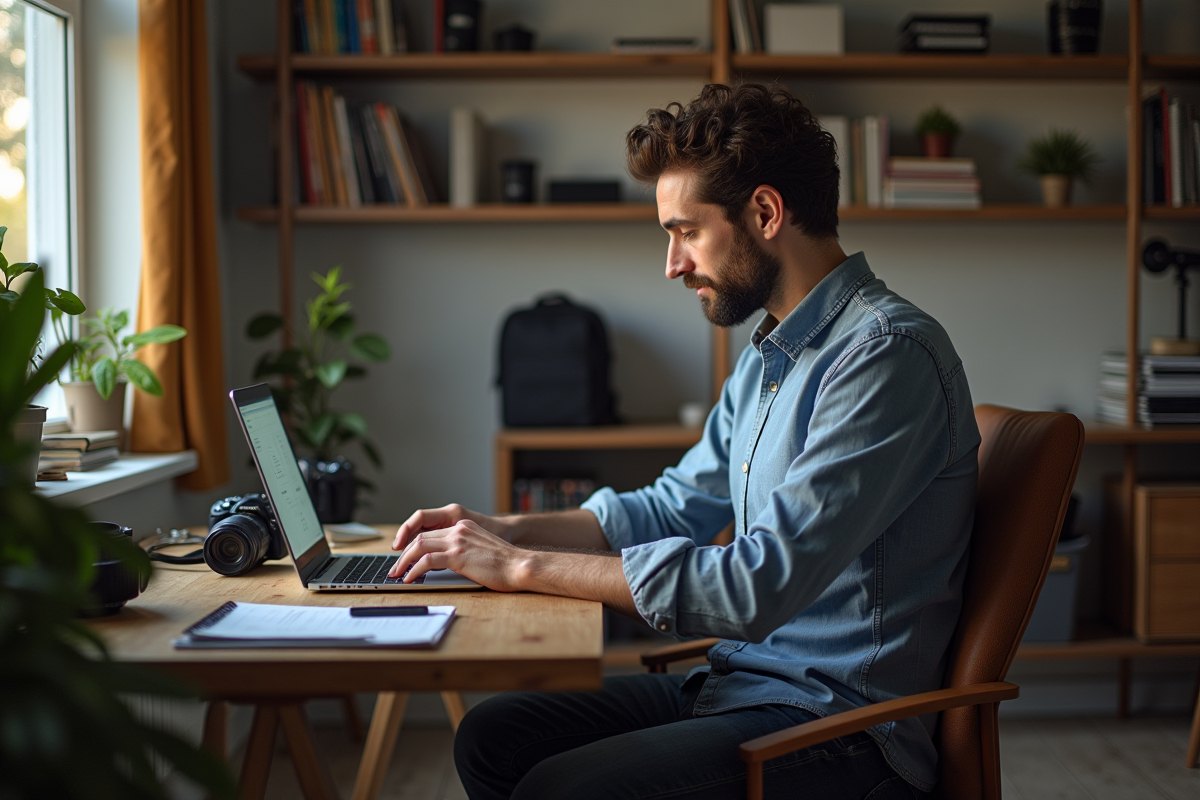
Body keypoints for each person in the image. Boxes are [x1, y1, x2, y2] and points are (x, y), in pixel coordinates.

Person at [387, 83, 980, 800]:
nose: (672, 264)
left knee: (563, 788)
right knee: (492, 737)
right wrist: (494, 530)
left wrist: (519, 566)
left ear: (764, 212)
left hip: (839, 726)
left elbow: (753, 589)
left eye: (685, 231)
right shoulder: (770, 357)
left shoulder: (884, 356)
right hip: (741, 684)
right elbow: (669, 508)